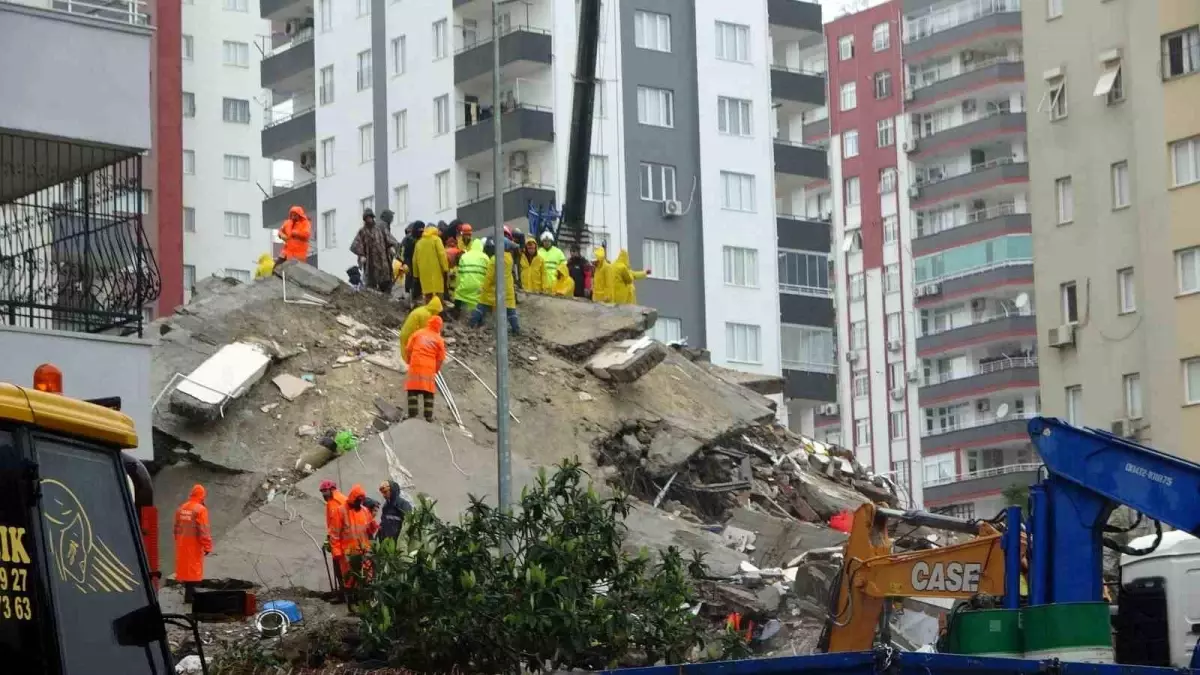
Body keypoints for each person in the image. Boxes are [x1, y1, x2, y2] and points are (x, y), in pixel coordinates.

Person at [469, 239, 520, 334]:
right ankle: (516, 329)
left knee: (482, 306)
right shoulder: (509, 258)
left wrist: (484, 288)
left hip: (494, 289)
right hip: (508, 289)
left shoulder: (494, 259)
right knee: (510, 310)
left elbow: (490, 277)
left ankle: (471, 324)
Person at [173, 484, 213, 603]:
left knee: (186, 569)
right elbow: (203, 530)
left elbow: (176, 529)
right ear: (202, 496)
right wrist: (207, 546)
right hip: (194, 544)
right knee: (194, 571)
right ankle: (191, 597)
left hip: (182, 543)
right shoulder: (200, 510)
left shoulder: (181, 508)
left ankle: (189, 595)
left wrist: (179, 540)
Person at [331, 484, 374, 593]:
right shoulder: (340, 511)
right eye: (357, 501)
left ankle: (364, 599)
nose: (359, 503)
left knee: (367, 576)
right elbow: (334, 534)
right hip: (348, 553)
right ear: (352, 498)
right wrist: (337, 552)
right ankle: (351, 599)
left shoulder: (364, 511)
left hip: (364, 550)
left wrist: (374, 526)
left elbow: (370, 529)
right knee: (349, 579)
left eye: (361, 501)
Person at [405, 315, 447, 422]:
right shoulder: (439, 339)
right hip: (429, 367)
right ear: (439, 327)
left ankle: (412, 414)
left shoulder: (418, 333)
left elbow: (408, 348)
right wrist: (436, 370)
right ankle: (428, 416)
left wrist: (409, 361)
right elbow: (441, 358)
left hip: (416, 364)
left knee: (413, 390)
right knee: (428, 392)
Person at [350, 209, 399, 293]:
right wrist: (361, 255)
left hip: (382, 260)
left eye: (370, 217)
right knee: (371, 283)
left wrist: (391, 247)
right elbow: (355, 244)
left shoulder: (380, 228)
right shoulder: (362, 231)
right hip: (370, 262)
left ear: (373, 218)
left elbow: (388, 239)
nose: (369, 220)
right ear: (364, 219)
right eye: (367, 218)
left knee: (386, 281)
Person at [319, 480, 348, 590]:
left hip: (342, 543)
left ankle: (346, 594)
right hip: (336, 541)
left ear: (332, 489)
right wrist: (328, 538)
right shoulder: (331, 502)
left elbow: (339, 526)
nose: (323, 494)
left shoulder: (338, 502)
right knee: (339, 569)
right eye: (322, 491)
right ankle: (343, 592)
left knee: (342, 570)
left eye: (325, 491)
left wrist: (332, 540)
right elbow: (332, 526)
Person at [398, 296, 443, 362]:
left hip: (406, 333)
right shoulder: (426, 315)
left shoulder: (422, 309)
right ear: (435, 309)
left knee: (407, 355)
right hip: (409, 336)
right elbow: (425, 330)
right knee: (410, 356)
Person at [412, 225, 450, 302]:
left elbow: (414, 260)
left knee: (427, 295)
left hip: (424, 274)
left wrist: (416, 274)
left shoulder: (418, 243)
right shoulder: (436, 240)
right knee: (438, 294)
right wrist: (445, 268)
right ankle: (438, 311)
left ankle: (429, 311)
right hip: (436, 272)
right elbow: (442, 255)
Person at [453, 238, 488, 316]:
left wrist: (458, 288)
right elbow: (488, 275)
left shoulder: (464, 256)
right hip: (477, 290)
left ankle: (457, 313)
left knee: (458, 294)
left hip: (464, 288)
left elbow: (459, 276)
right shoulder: (485, 257)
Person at [401, 221, 423, 302]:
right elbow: (404, 253)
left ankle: (416, 298)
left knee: (417, 281)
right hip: (409, 261)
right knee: (410, 280)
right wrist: (404, 263)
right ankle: (409, 299)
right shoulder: (408, 239)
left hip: (418, 263)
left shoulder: (421, 239)